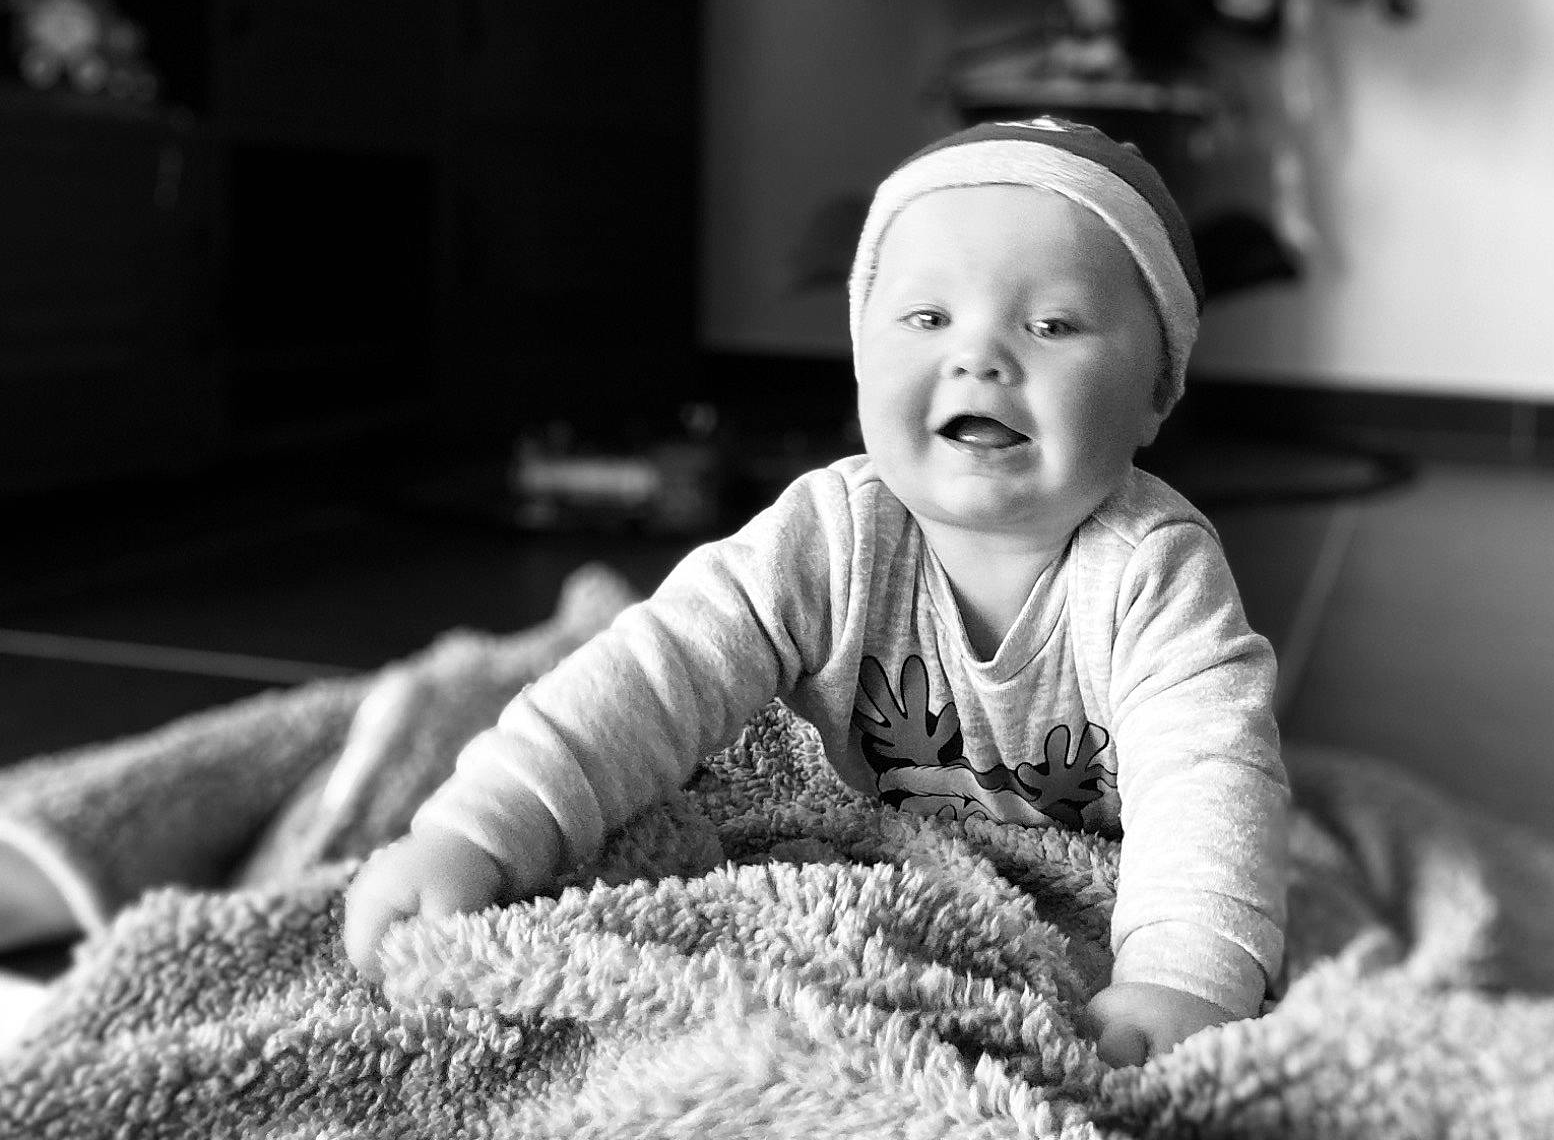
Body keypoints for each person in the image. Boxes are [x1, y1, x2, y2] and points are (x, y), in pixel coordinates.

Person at [343, 117, 1289, 1066]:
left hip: (1079, 857)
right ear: (861, 355)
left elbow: (1210, 774)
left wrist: (1184, 978)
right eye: (927, 319)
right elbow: (654, 671)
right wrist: (482, 830)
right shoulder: (832, 532)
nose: (980, 357)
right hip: (868, 846)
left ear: (1157, 391)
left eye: (1051, 325)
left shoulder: (1155, 569)